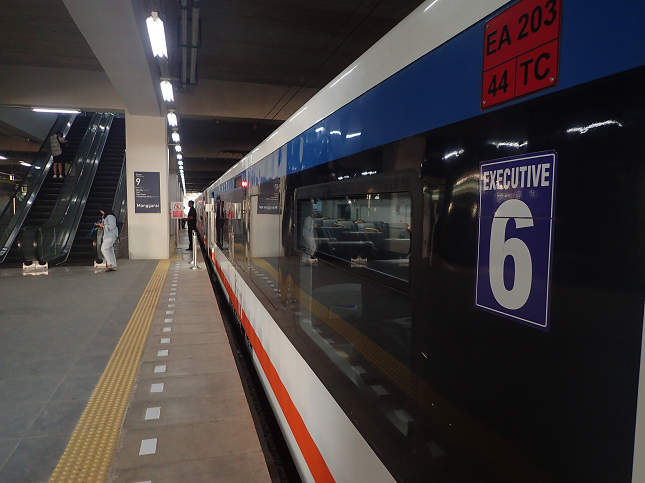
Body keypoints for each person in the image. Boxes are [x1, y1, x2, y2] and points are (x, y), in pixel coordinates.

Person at [97, 206, 118, 272]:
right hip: (107, 235)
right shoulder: (105, 217)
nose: (102, 213)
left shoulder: (110, 216)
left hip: (111, 235)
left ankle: (110, 264)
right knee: (110, 250)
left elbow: (112, 226)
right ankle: (113, 265)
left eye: (102, 211)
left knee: (104, 248)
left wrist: (103, 226)